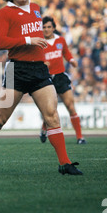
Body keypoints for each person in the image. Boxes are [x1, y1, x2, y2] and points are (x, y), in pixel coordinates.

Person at [0, 0, 82, 175]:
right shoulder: (4, 13)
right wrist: (28, 40)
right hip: (16, 69)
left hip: (39, 69)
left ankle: (64, 163)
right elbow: (0, 42)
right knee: (0, 121)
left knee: (52, 116)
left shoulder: (36, 8)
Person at [39, 16, 86, 145]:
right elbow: (35, 59)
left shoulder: (60, 40)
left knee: (70, 106)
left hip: (60, 77)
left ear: (53, 28)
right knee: (50, 109)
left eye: (49, 27)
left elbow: (66, 53)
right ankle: (44, 127)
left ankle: (80, 137)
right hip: (47, 79)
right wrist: (43, 63)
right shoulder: (39, 43)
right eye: (44, 27)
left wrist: (71, 60)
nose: (46, 29)